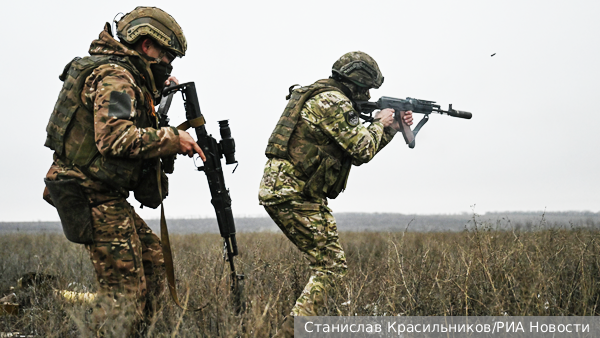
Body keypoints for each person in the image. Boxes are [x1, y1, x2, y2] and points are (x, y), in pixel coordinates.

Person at [42, 6, 204, 336]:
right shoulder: (116, 78)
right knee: (123, 295)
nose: (168, 63)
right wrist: (174, 138)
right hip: (89, 192)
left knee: (153, 261)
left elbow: (123, 117)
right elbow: (114, 139)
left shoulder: (124, 76)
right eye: (166, 54)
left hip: (101, 193)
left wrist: (154, 94)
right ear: (146, 46)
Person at [258, 51, 413, 336]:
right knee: (330, 267)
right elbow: (363, 148)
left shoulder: (323, 94)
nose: (367, 94)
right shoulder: (333, 101)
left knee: (328, 264)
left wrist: (388, 129)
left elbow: (356, 151)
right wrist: (380, 122)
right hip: (294, 192)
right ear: (355, 83)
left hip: (293, 189)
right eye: (365, 88)